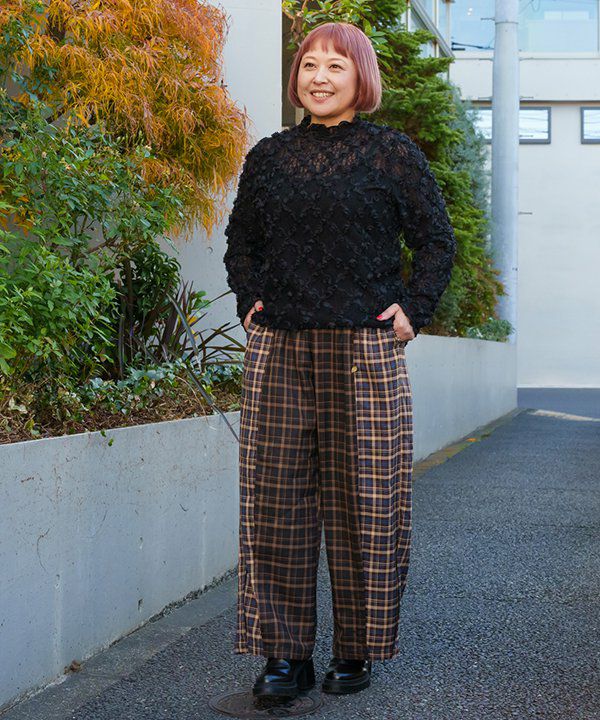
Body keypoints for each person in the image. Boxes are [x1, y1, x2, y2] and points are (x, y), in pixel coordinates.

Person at [223, 21, 456, 700]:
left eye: (334, 66)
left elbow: (436, 240)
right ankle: (285, 655)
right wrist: (249, 298)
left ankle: (356, 647)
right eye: (308, 65)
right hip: (281, 347)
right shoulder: (270, 157)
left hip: (364, 350)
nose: (318, 78)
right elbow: (242, 242)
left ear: (361, 78)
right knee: (276, 503)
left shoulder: (391, 154)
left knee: (367, 503)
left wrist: (414, 309)